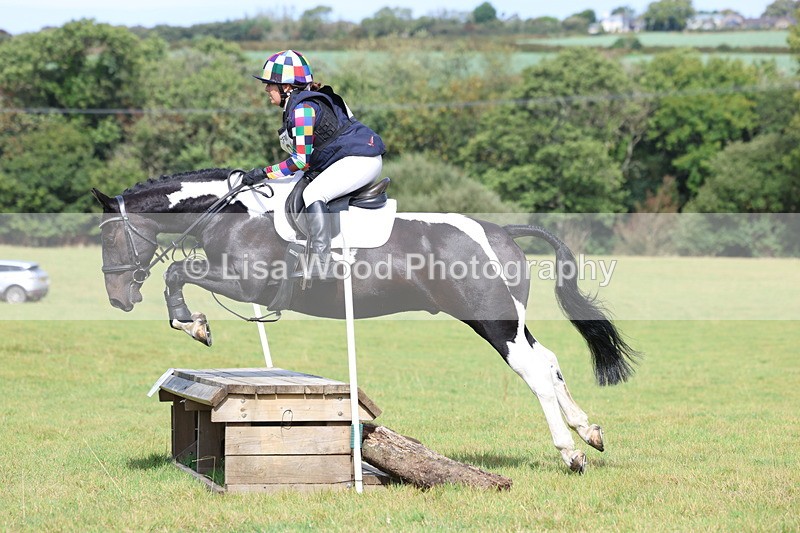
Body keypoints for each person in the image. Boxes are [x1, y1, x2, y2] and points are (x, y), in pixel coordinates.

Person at [241, 50, 386, 278]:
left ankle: (322, 263)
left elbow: (300, 160)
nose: (266, 89)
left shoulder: (302, 110)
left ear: (286, 87)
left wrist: (264, 173)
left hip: (360, 161)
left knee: (313, 194)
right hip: (354, 158)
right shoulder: (306, 103)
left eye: (270, 84)